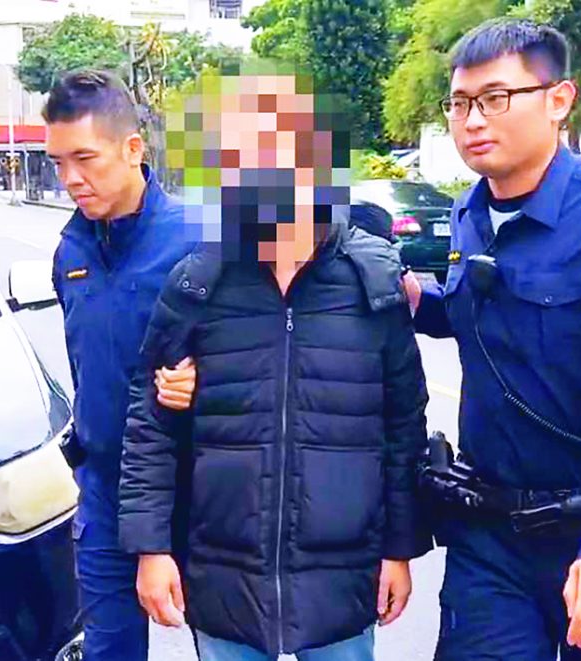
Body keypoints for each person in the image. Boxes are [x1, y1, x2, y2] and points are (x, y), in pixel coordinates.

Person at [401, 19, 581, 660]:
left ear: (559, 100)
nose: (472, 120)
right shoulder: (469, 212)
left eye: (496, 98)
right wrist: (416, 298)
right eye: (459, 103)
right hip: (490, 541)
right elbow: (484, 314)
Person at [117, 68, 432, 661]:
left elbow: (403, 428)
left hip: (343, 577)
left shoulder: (372, 284)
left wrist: (400, 549)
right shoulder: (197, 285)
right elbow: (150, 426)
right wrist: (151, 550)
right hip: (223, 576)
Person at [46, 69, 192, 661]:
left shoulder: (197, 242)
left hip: (197, 491)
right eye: (58, 162)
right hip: (105, 492)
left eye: (84, 158)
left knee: (227, 645)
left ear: (133, 149)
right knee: (109, 649)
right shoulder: (71, 250)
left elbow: (259, 356)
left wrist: (208, 381)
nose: (70, 179)